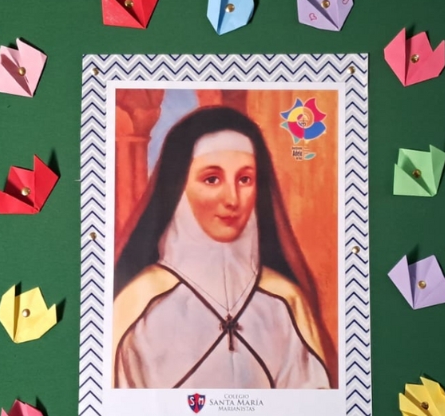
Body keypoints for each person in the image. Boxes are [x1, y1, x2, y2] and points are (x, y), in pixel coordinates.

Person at [112, 106, 330, 389]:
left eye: (245, 179)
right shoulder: (139, 303)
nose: (232, 199)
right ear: (179, 187)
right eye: (212, 179)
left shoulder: (285, 301)